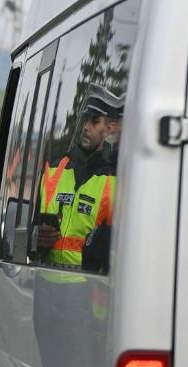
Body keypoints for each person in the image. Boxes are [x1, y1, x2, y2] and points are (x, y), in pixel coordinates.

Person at [36, 83, 123, 270]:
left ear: (109, 129)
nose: (85, 127)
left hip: (89, 283)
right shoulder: (54, 170)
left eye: (94, 121)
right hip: (45, 279)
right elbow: (23, 230)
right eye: (85, 120)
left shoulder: (116, 180)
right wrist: (35, 236)